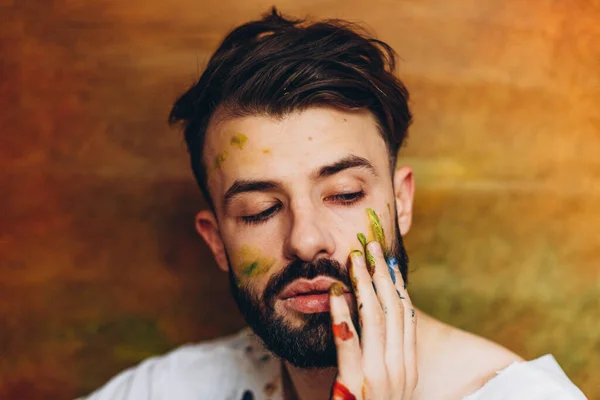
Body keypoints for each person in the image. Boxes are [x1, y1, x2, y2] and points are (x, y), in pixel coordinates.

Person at [82, 8, 587, 400]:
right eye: (259, 209)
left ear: (400, 203)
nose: (306, 240)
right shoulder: (164, 389)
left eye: (344, 194)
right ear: (217, 241)